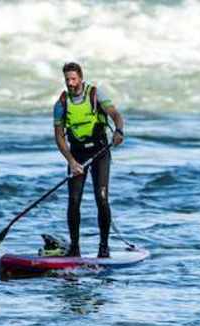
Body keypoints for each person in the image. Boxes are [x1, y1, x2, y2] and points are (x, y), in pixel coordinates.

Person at [53, 61, 125, 258]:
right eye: (67, 79)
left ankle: (104, 247)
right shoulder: (61, 104)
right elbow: (59, 136)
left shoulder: (95, 94)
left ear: (81, 78)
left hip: (100, 151)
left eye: (74, 79)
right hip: (77, 155)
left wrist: (118, 131)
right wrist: (71, 161)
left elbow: (116, 114)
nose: (71, 83)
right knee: (74, 201)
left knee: (101, 199)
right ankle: (75, 248)